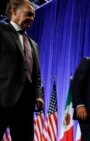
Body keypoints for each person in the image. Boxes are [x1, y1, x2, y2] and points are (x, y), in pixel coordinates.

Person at [0, 0, 44, 140]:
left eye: (33, 16)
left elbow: (36, 75)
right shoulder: (1, 30)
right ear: (14, 11)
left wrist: (38, 95)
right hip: (2, 99)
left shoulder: (34, 45)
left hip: (25, 105)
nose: (31, 18)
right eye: (28, 14)